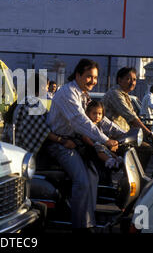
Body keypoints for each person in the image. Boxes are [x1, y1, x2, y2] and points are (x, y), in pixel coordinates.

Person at [46, 59, 119, 232]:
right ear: (78, 75)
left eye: (94, 77)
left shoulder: (83, 94)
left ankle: (89, 221)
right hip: (60, 143)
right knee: (82, 182)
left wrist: (123, 132)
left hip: (75, 142)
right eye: (88, 77)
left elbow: (100, 119)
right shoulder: (67, 93)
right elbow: (81, 121)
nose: (92, 81)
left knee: (93, 177)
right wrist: (105, 140)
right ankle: (80, 227)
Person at [103, 67, 153, 170]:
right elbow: (132, 118)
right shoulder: (115, 94)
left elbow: (134, 118)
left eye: (134, 79)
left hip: (122, 136)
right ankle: (134, 179)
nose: (132, 82)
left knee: (147, 147)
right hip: (112, 137)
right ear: (119, 80)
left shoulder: (126, 96)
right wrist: (151, 134)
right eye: (128, 79)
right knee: (146, 149)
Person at [7, 72, 76, 154]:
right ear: (42, 86)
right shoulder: (32, 103)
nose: (47, 89)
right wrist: (63, 141)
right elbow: (44, 132)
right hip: (23, 150)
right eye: (47, 86)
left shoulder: (26, 99)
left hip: (15, 146)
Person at [82, 100, 125, 171]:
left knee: (107, 150)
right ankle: (109, 161)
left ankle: (116, 159)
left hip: (101, 144)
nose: (97, 116)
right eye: (94, 113)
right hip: (91, 146)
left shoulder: (99, 125)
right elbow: (85, 137)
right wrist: (93, 145)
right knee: (100, 149)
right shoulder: (87, 125)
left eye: (99, 114)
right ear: (88, 113)